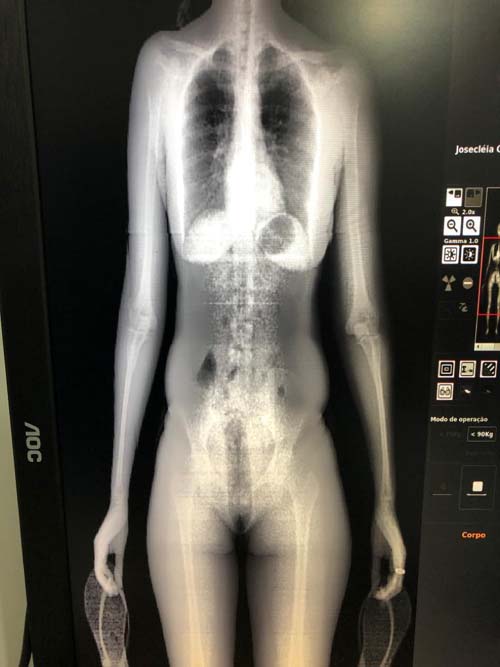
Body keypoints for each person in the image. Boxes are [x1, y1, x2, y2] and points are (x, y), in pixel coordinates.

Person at [93, 0, 406, 664]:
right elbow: (141, 309)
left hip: (295, 452)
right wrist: (116, 500)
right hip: (193, 446)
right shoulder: (165, 66)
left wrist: (387, 500)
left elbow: (362, 316)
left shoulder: (337, 78)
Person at [483, 223, 500, 335]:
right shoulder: (494, 247)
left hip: (499, 275)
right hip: (492, 274)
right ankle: (488, 328)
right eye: (499, 229)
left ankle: (496, 329)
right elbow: (488, 264)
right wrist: (484, 282)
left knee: (498, 304)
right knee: (489, 303)